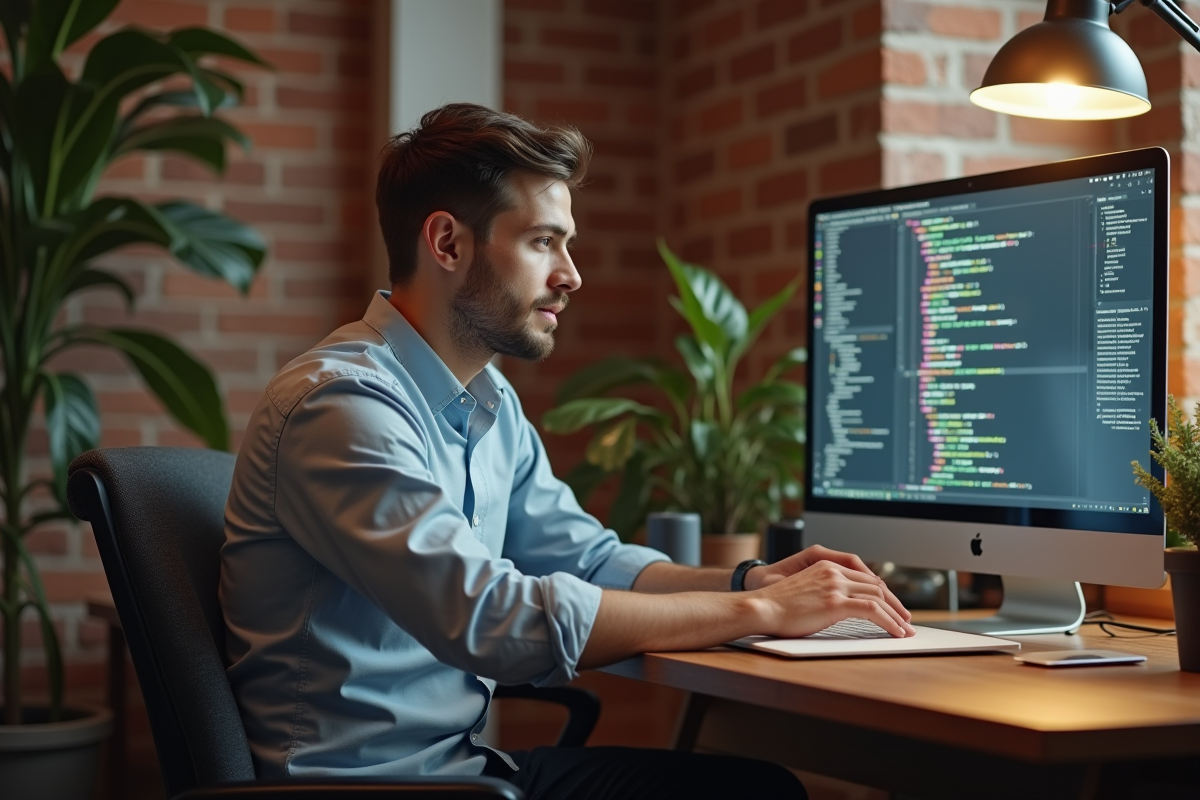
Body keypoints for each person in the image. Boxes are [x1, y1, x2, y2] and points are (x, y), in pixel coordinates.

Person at [221, 103, 914, 800]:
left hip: (460, 772)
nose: (571, 274)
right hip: (365, 792)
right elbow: (492, 621)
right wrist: (763, 615)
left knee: (751, 785)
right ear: (448, 244)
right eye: (544, 242)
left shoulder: (488, 402)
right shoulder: (342, 406)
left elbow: (590, 560)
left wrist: (746, 584)